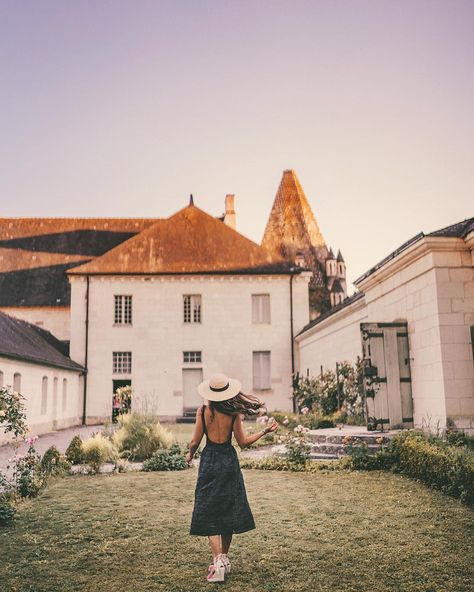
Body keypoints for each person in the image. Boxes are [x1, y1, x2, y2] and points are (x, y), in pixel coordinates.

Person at [186, 373, 278, 583]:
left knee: (209, 509)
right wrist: (264, 432)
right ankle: (223, 560)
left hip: (209, 460)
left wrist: (189, 455)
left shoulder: (203, 411)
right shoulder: (234, 413)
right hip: (228, 460)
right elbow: (243, 442)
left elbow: (194, 441)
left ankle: (218, 561)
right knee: (228, 507)